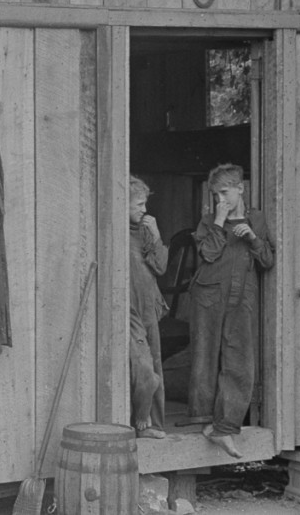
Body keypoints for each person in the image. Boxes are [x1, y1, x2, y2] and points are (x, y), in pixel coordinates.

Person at [189, 164, 274, 458]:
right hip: (208, 297)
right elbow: (209, 254)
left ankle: (225, 428)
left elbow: (267, 261)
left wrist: (252, 237)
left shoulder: (257, 219)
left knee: (240, 361)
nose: (219, 200)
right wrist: (219, 221)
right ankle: (201, 422)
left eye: (224, 193)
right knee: (204, 357)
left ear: (240, 188)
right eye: (215, 195)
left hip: (243, 298)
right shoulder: (208, 221)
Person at [129, 175, 170, 439]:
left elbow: (161, 267)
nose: (144, 210)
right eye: (139, 204)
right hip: (128, 310)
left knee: (155, 364)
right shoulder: (112, 230)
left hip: (148, 307)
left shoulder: (144, 231)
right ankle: (139, 419)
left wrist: (156, 237)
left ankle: (152, 425)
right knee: (145, 371)